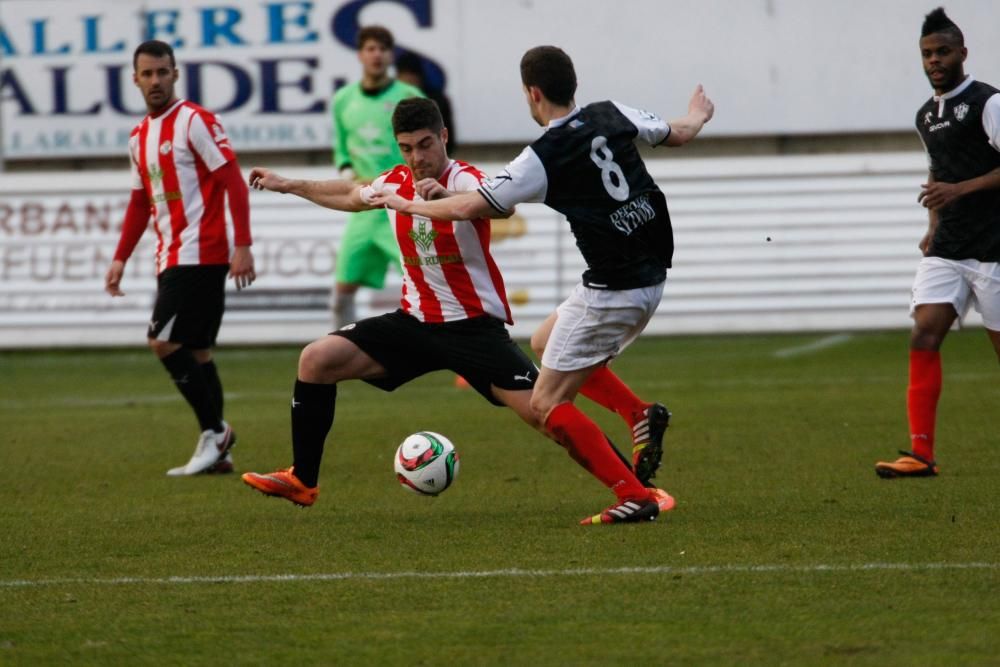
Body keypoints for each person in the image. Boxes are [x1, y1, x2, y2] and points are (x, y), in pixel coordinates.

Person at [241, 98, 671, 524]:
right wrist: (290, 184)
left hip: (474, 333)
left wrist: (444, 194)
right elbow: (351, 194)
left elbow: (497, 203)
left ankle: (639, 490)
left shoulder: (464, 179)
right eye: (407, 147)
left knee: (548, 412)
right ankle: (302, 479)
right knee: (316, 360)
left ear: (443, 136)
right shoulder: (394, 181)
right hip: (414, 324)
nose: (417, 157)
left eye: (425, 144)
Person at [372, 46, 714, 523]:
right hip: (649, 271)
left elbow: (472, 208)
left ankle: (630, 495)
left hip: (616, 290)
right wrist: (697, 115)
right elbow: (677, 133)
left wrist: (407, 205)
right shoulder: (609, 113)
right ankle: (638, 413)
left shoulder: (541, 158)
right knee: (543, 340)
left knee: (547, 402)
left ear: (533, 93)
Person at [104, 40, 256, 476]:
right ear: (135, 79)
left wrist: (242, 244)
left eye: (162, 72)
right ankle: (219, 453)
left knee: (162, 340)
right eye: (147, 74)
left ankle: (215, 431)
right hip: (169, 255)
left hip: (200, 251)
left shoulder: (195, 122)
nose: (155, 81)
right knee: (197, 350)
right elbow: (139, 203)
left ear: (175, 74)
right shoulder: (138, 137)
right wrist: (120, 258)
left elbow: (233, 182)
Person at [875, 8, 1000, 478]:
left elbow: (956, 180)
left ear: (963, 53)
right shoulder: (926, 115)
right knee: (924, 332)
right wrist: (933, 224)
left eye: (943, 52)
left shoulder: (989, 103)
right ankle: (920, 454)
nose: (934, 61)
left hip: (993, 247)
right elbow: (937, 173)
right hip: (949, 246)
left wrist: (960, 190)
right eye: (927, 54)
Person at [329, 25, 424, 329]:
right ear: (360, 54)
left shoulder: (408, 97)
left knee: (424, 280)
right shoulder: (343, 99)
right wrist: (346, 172)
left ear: (390, 55)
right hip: (364, 201)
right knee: (343, 287)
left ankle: (447, 340)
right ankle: (340, 348)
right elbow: (341, 146)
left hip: (402, 202)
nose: (377, 55)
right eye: (371, 49)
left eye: (383, 49)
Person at [395, 50, 458, 153]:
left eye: (412, 78)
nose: (409, 85)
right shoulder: (390, 100)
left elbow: (448, 138)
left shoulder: (438, 101)